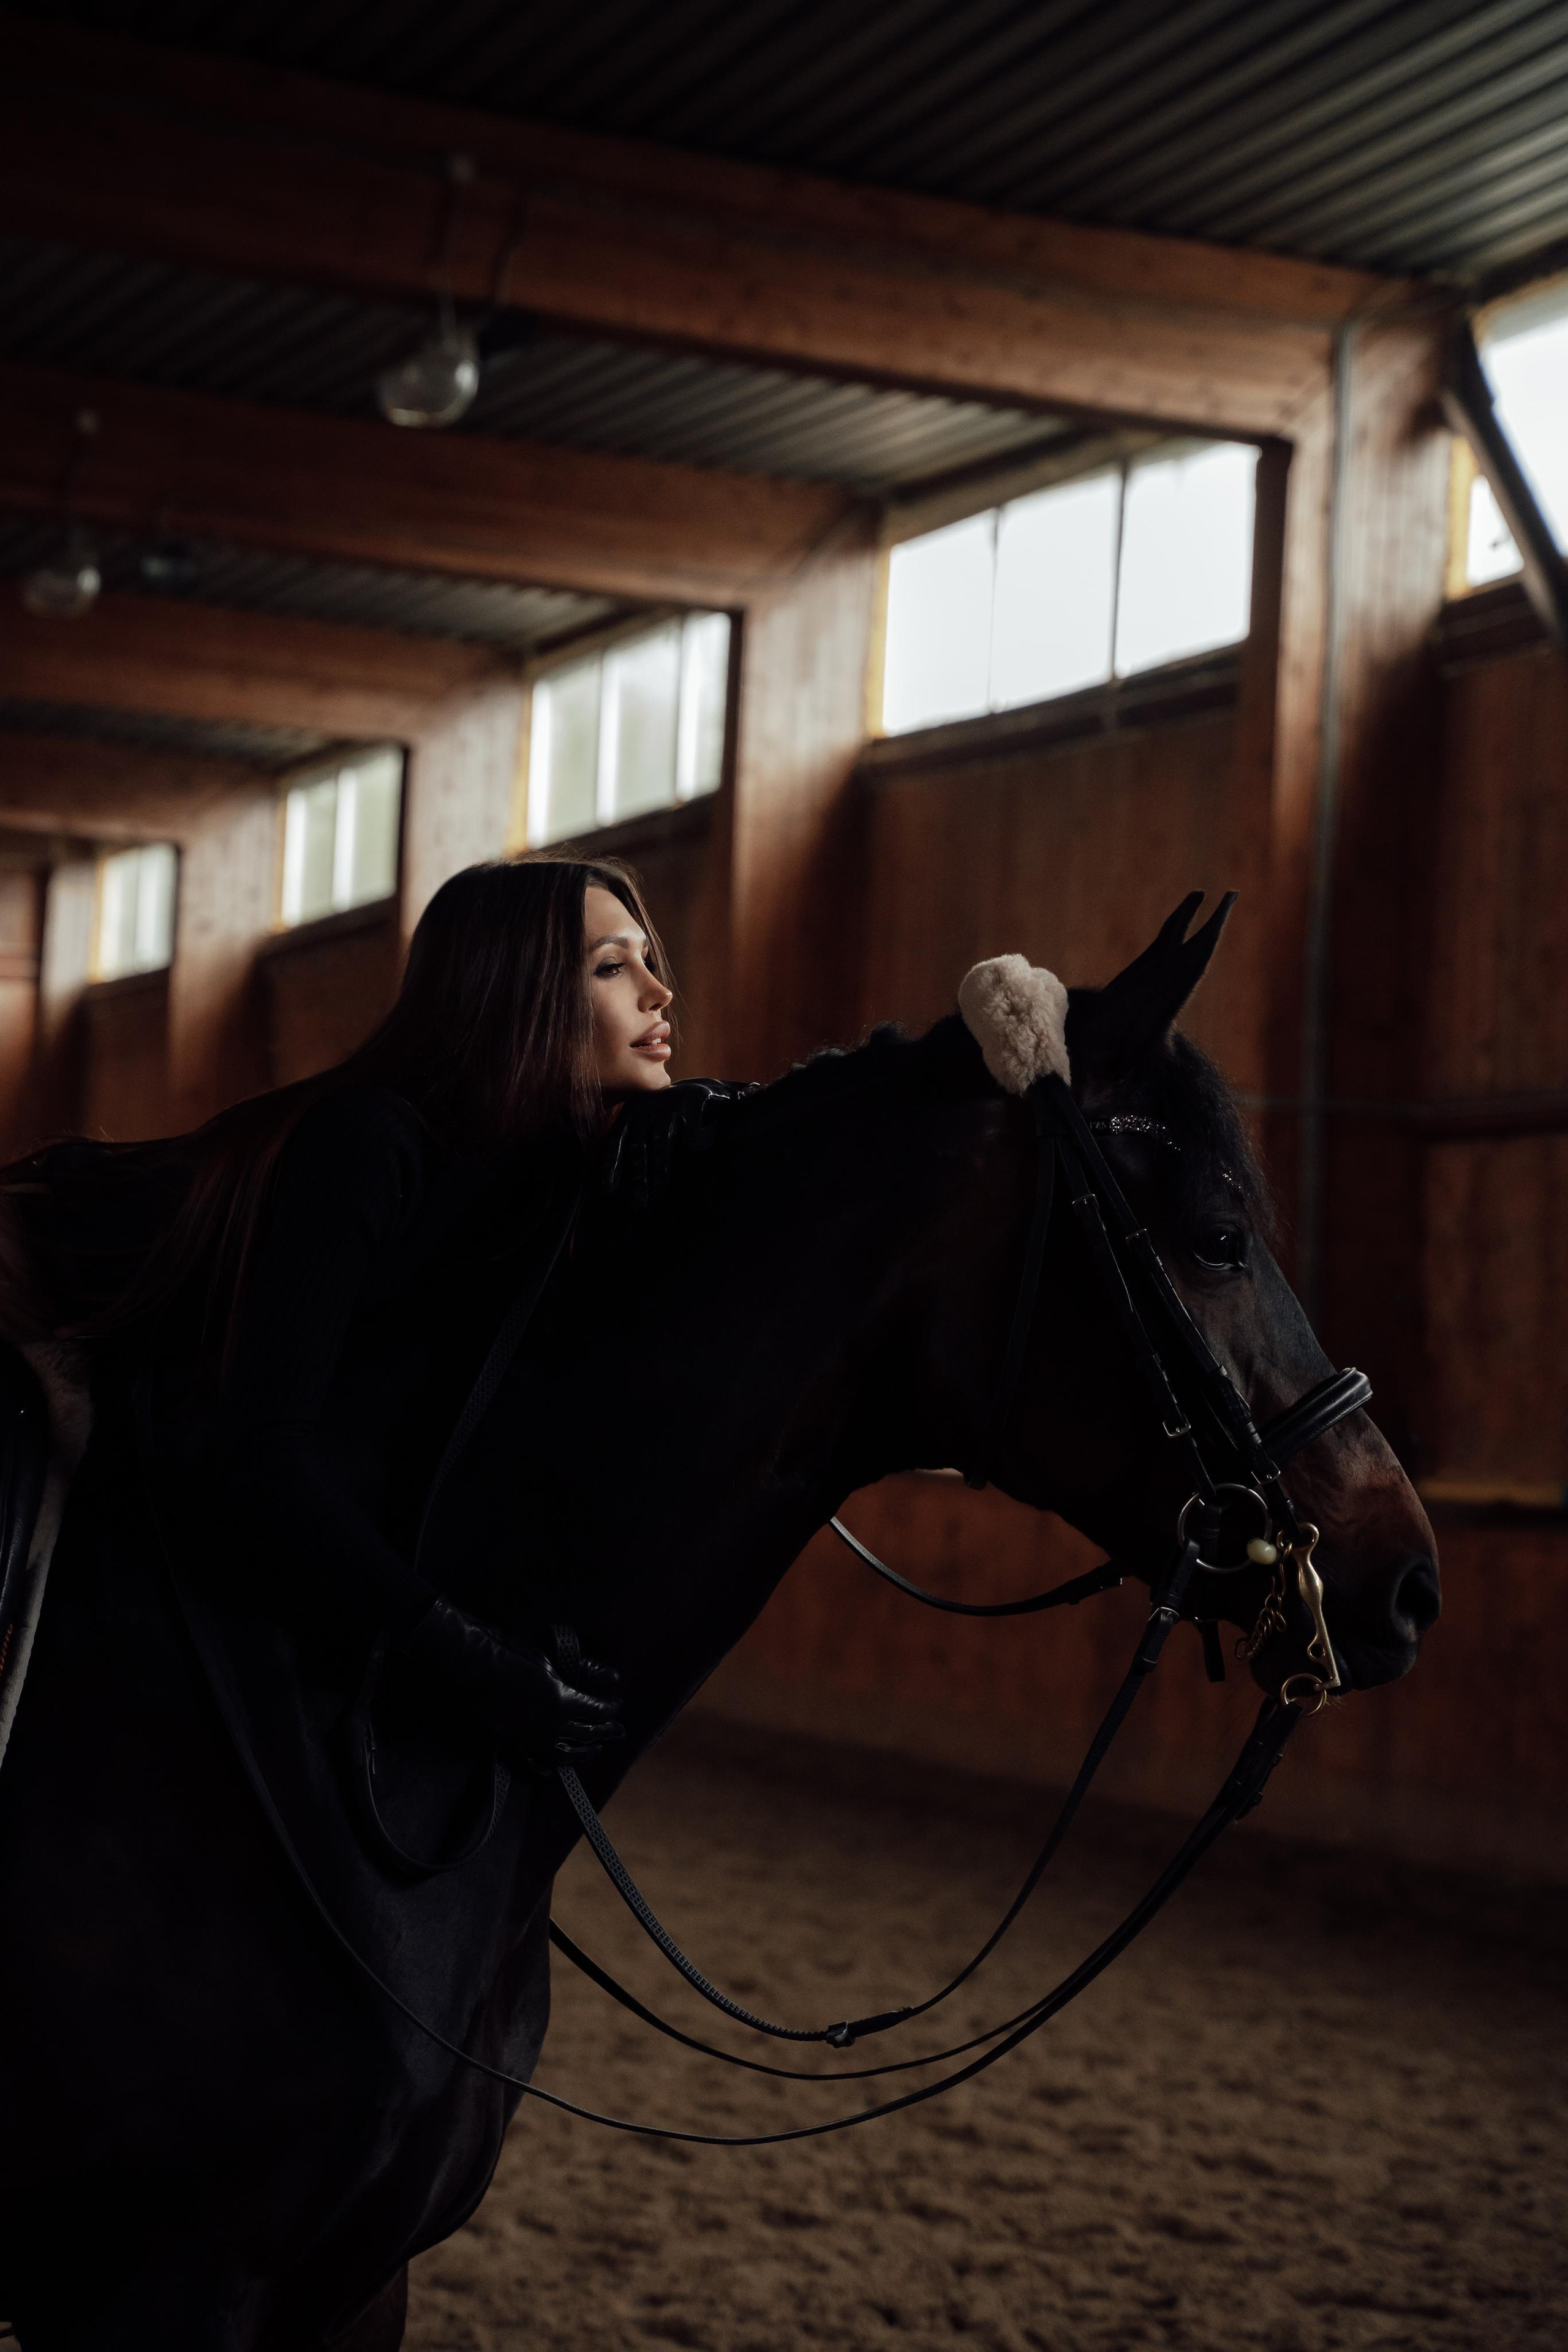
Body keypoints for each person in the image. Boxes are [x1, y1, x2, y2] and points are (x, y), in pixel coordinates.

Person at [2, 854, 730, 1771]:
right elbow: (259, 1452)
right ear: (514, 995)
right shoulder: (368, 1142)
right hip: (24, 1287)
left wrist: (698, 1111)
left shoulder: (551, 1154)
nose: (662, 992)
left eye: (648, 958)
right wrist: (458, 1653)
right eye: (611, 967)